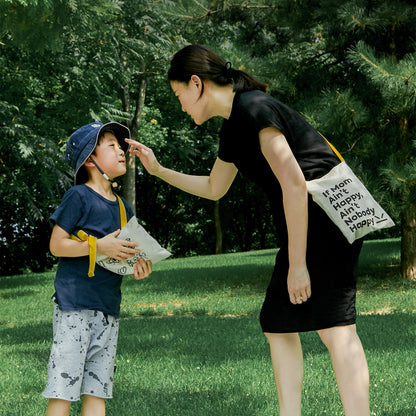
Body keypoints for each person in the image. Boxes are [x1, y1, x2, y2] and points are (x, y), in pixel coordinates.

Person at [126, 44, 370, 416]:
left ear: (196, 84)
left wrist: (298, 264)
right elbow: (214, 188)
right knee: (277, 322)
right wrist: (158, 170)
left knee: (335, 328)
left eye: (179, 96)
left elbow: (294, 183)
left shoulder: (254, 109)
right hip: (307, 221)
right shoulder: (234, 127)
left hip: (325, 218)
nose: (181, 106)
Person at [42, 121, 152, 416]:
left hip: (107, 308)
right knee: (63, 389)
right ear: (90, 160)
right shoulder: (78, 197)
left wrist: (136, 267)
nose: (121, 151)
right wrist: (97, 246)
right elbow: (57, 245)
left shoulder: (122, 208)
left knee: (97, 390)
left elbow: (121, 258)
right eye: (111, 145)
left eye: (121, 145)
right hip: (74, 306)